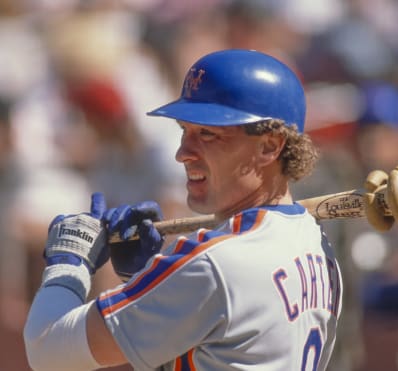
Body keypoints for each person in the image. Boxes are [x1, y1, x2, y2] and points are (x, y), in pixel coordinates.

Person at [23, 49, 343, 371]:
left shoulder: (215, 263)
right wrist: (144, 277)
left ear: (270, 146)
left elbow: (48, 351)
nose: (183, 154)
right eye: (184, 131)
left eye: (207, 134)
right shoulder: (317, 246)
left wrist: (69, 263)